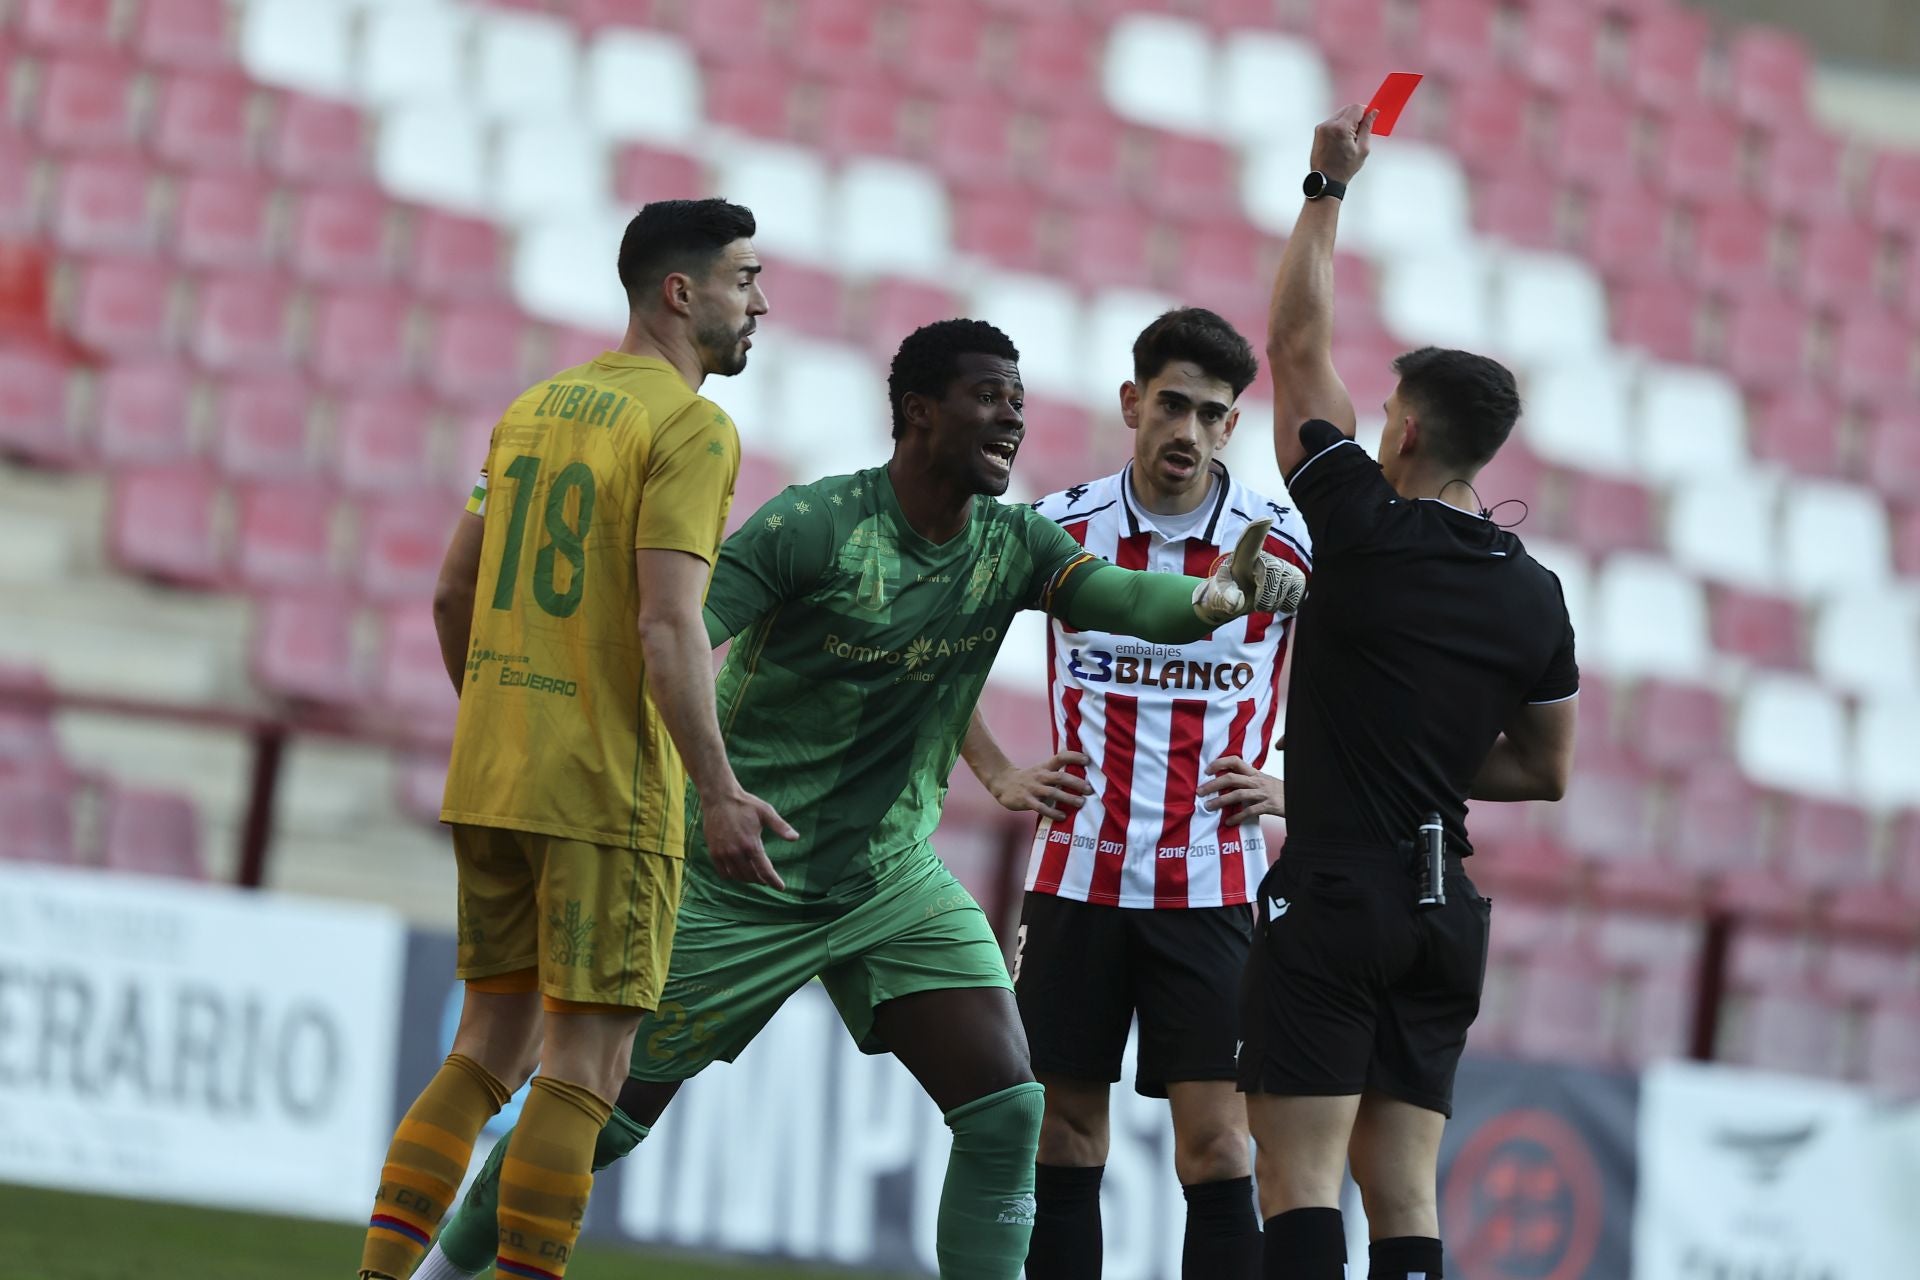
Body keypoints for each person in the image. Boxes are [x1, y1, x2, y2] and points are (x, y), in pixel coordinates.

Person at [413, 318, 1304, 1280]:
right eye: (989, 397)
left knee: (1009, 1105)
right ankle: (446, 1266)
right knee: (604, 1118)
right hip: (740, 875)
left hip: (889, 881)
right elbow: (671, 638)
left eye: (1019, 400)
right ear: (919, 413)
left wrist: (1215, 601)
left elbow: (1127, 602)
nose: (1013, 418)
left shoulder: (1014, 543)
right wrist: (697, 787)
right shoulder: (814, 526)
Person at [356, 197, 784, 1280]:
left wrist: (503, 715)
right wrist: (721, 789)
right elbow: (666, 621)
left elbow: (454, 588)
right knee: (585, 1063)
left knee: (483, 1047)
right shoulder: (691, 426)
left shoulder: (534, 407)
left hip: (494, 772)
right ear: (682, 294)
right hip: (604, 789)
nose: (760, 301)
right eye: (745, 278)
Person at [1241, 107, 1579, 1280]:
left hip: (1340, 890)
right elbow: (1545, 768)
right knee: (1405, 1194)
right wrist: (1425, 756)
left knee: (1295, 1177)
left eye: (1386, 413)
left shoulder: (1364, 528)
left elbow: (1291, 348)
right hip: (1448, 914)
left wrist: (1324, 186)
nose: (1373, 425)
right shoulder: (1534, 591)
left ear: (1412, 429)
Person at [959, 308, 1310, 1280]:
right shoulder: (1059, 528)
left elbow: (1374, 697)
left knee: (1217, 1143)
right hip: (1081, 878)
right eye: (1172, 404)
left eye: (1211, 412)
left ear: (1234, 425)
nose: (1188, 430)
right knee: (1065, 1132)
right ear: (1132, 402)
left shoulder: (1285, 549)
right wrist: (996, 769)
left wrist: (1294, 786)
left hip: (1214, 889)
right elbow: (938, 649)